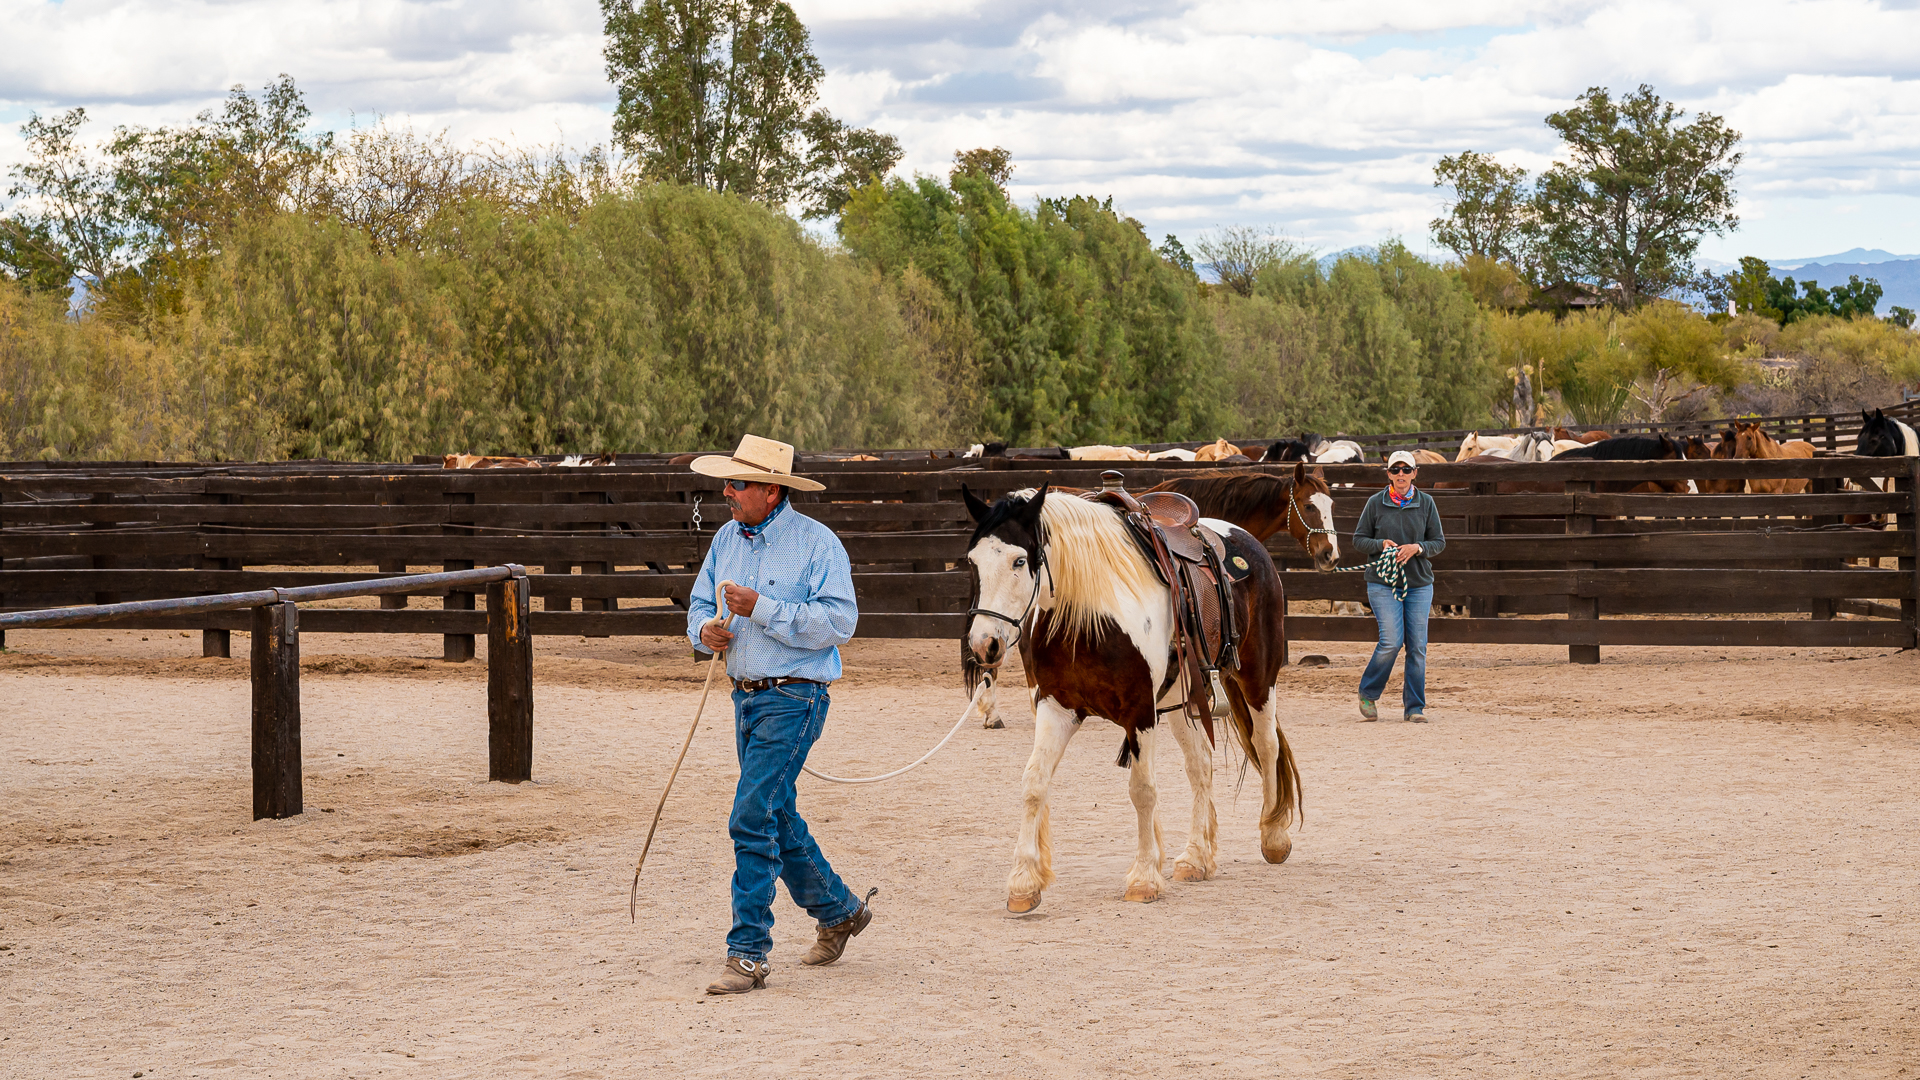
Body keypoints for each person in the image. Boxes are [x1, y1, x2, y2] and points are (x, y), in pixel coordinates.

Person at [684, 434, 868, 995]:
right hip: (745, 695)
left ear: (770, 490)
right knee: (775, 814)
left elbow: (840, 622)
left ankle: (748, 953)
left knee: (751, 814)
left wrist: (761, 608)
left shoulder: (818, 544)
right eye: (728, 482)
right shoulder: (724, 539)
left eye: (738, 483)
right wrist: (705, 631)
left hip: (795, 696)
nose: (727, 491)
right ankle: (838, 910)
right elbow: (697, 605)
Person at [1351, 449, 1447, 723]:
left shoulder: (1426, 503)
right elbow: (1359, 539)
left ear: (1415, 473)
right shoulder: (1375, 503)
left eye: (1407, 469)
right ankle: (1368, 692)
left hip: (1418, 583)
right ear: (1389, 474)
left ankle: (1414, 707)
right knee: (1391, 641)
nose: (1401, 474)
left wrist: (1418, 547)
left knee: (1417, 646)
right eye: (1396, 470)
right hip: (1383, 582)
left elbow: (1438, 542)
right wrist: (1380, 545)